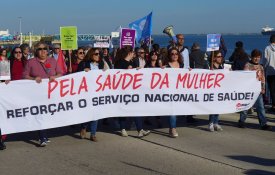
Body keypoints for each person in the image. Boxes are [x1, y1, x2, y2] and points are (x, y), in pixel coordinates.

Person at [23, 42, 63, 147]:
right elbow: (25, 75)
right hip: (37, 94)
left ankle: (44, 134)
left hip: (51, 93)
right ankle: (42, 137)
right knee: (40, 113)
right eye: (40, 49)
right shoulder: (31, 62)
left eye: (45, 48)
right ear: (36, 51)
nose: (43, 51)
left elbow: (60, 73)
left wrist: (55, 77)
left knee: (48, 114)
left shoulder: (52, 61)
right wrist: (33, 78)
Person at [114, 46, 150, 138]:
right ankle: (123, 129)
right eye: (132, 52)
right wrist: (127, 66)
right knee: (123, 110)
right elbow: (117, 72)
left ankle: (140, 130)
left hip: (133, 90)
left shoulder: (132, 62)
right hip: (122, 90)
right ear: (128, 53)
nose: (134, 54)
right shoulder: (119, 62)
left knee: (136, 109)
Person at [77, 48, 109, 142]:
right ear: (91, 55)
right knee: (88, 112)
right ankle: (84, 127)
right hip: (87, 92)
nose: (98, 56)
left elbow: (109, 72)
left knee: (95, 113)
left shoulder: (101, 64)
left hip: (98, 92)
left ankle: (93, 134)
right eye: (96, 54)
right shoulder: (84, 64)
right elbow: (76, 77)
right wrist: (83, 71)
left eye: (99, 54)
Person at [238, 49, 272, 130]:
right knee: (245, 106)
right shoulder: (247, 65)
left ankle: (263, 123)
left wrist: (263, 88)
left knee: (260, 107)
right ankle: (242, 121)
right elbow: (245, 77)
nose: (257, 59)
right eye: (255, 57)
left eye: (258, 57)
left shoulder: (261, 67)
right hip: (249, 90)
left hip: (258, 91)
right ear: (252, 57)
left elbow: (263, 78)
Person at [164, 48, 184, 137]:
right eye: (172, 54)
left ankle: (171, 127)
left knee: (176, 110)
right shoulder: (167, 66)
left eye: (176, 53)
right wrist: (161, 70)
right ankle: (173, 128)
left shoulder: (182, 65)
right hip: (170, 91)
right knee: (173, 110)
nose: (175, 55)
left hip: (179, 91)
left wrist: (190, 71)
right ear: (169, 55)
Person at [208, 51, 223, 132]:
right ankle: (210, 123)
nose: (220, 58)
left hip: (220, 90)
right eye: (218, 56)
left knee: (218, 107)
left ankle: (216, 122)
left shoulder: (221, 67)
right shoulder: (210, 66)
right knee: (213, 107)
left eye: (221, 56)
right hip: (212, 90)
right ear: (214, 58)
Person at [262, 35, 275, 112]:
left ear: (270, 41)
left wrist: (264, 68)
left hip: (270, 72)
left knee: (272, 90)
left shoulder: (267, 48)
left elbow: (265, 61)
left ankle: (273, 106)